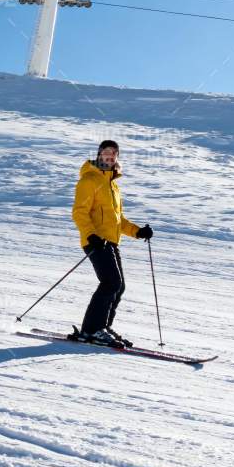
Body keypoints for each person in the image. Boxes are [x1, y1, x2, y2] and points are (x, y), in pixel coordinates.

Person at [70, 139, 153, 347]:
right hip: (95, 241)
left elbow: (119, 220)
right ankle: (92, 330)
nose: (110, 156)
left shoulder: (113, 185)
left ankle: (102, 327)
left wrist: (138, 232)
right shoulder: (89, 179)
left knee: (119, 286)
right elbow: (79, 212)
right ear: (99, 154)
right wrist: (91, 235)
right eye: (106, 152)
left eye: (114, 153)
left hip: (111, 242)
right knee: (110, 283)